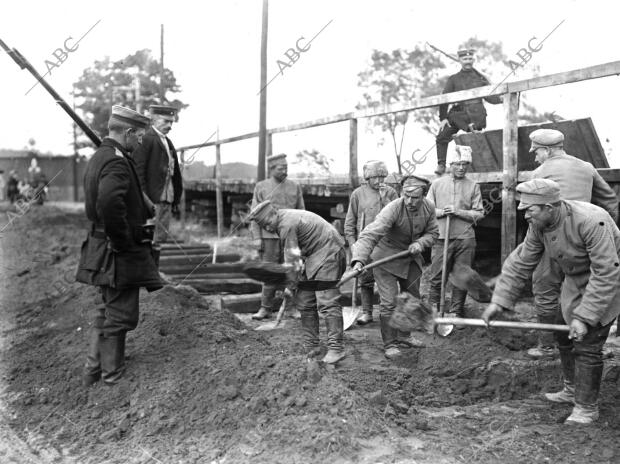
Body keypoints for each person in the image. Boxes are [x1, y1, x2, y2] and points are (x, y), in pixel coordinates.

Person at [481, 178, 620, 425]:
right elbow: (521, 261)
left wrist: (585, 317)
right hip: (577, 279)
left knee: (587, 342)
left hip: (610, 280)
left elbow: (607, 272)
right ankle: (571, 389)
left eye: (530, 210)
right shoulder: (539, 225)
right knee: (563, 333)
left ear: (550, 207)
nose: (525, 216)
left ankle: (587, 407)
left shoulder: (590, 221)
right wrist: (499, 301)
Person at [76, 105, 162, 386]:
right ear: (128, 132)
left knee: (107, 310)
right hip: (117, 251)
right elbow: (110, 203)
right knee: (121, 315)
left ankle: (93, 371)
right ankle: (112, 376)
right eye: (138, 137)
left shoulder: (102, 156)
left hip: (102, 247)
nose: (140, 142)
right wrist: (124, 242)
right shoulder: (115, 161)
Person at [524, 128, 619, 359]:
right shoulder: (587, 167)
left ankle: (547, 345)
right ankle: (592, 339)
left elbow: (533, 212)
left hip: (553, 236)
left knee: (545, 287)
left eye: (536, 151)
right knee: (589, 286)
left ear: (547, 150)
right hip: (585, 237)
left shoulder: (537, 173)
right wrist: (606, 232)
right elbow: (610, 201)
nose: (534, 156)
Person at [351, 175, 439, 359]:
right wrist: (358, 260)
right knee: (389, 302)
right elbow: (370, 235)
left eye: (415, 197)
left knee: (412, 298)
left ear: (423, 195)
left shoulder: (429, 207)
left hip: (411, 257)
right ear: (401, 192)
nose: (409, 201)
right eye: (406, 195)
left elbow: (433, 233)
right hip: (386, 259)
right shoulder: (392, 209)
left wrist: (421, 243)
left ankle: (404, 336)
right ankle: (390, 344)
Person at [247, 200, 347, 364]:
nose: (268, 228)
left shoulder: (287, 224)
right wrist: (293, 284)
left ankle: (336, 349)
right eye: (264, 226)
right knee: (305, 301)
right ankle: (312, 345)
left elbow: (292, 258)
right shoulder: (282, 221)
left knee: (327, 302)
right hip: (313, 257)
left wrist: (290, 286)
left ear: (274, 214)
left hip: (330, 252)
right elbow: (296, 256)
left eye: (268, 223)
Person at [426, 145, 483, 320]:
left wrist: (459, 212)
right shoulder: (436, 184)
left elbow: (479, 213)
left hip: (465, 239)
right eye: (457, 164)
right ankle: (433, 313)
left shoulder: (473, 186)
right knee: (436, 276)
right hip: (441, 238)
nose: (461, 167)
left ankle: (456, 312)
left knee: (462, 277)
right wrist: (442, 212)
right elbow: (427, 209)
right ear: (450, 164)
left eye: (465, 164)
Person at [250, 153, 305, 320]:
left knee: (292, 272)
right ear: (271, 169)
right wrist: (257, 237)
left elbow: (302, 213)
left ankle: (290, 308)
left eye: (286, 167)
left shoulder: (295, 187)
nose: (285, 171)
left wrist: (302, 236)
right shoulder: (261, 186)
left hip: (291, 237)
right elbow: (254, 215)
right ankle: (265, 308)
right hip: (269, 238)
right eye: (281, 168)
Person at [344, 160, 398, 325]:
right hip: (364, 244)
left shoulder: (391, 192)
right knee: (365, 279)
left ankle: (387, 313)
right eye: (375, 177)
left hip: (387, 243)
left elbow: (398, 216)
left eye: (382, 177)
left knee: (387, 279)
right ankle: (367, 313)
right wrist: (353, 244)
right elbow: (350, 223)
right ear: (367, 177)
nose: (379, 181)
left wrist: (385, 199)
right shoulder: (358, 194)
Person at [435, 48, 502, 175]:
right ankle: (441, 164)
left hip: (476, 115)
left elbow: (490, 97)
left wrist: (501, 99)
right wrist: (443, 118)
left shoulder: (480, 78)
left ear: (473, 60)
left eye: (470, 59)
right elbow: (444, 99)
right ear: (460, 60)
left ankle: (470, 129)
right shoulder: (453, 79)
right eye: (465, 59)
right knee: (442, 136)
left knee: (470, 137)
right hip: (459, 115)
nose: (468, 61)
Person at [133, 104, 183, 249]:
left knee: (160, 238)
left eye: (171, 122)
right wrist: (144, 201)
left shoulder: (167, 141)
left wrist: (176, 198)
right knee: (149, 238)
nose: (170, 125)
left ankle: (155, 268)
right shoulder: (146, 139)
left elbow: (175, 173)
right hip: (152, 201)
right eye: (165, 121)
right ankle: (150, 269)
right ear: (153, 120)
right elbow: (138, 173)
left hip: (167, 199)